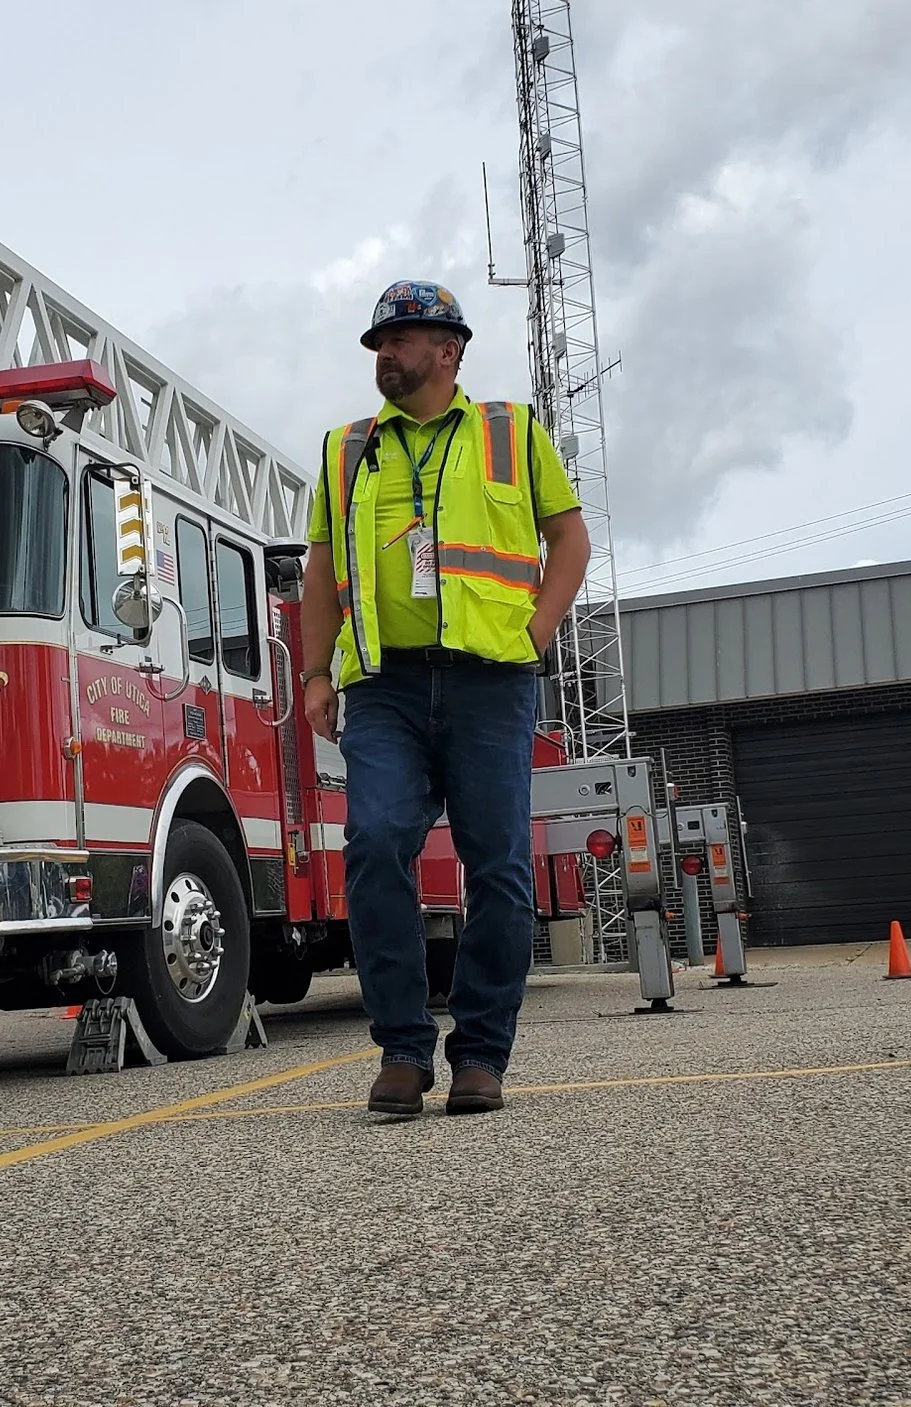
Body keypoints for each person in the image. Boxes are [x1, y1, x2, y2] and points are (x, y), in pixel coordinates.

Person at [299, 279, 590, 1118]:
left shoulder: (511, 431)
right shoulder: (347, 448)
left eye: (401, 340)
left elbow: (568, 536)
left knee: (497, 864)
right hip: (384, 682)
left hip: (489, 677)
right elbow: (322, 570)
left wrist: (537, 631)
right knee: (375, 841)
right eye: (379, 343)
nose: (384, 354)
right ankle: (401, 1046)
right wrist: (317, 671)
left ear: (448, 350)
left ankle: (481, 1053)